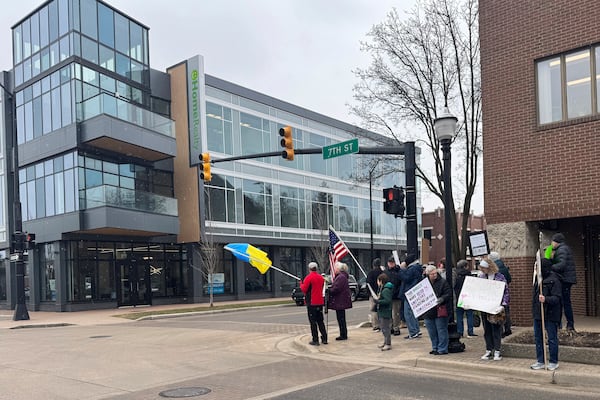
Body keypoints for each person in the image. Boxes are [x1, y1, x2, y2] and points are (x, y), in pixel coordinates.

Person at [531, 258, 562, 371]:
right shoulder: (538, 280)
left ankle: (553, 361)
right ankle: (540, 360)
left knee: (552, 338)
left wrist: (546, 299)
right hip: (538, 313)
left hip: (550, 313)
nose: (535, 269)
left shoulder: (554, 280)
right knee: (538, 337)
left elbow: (557, 298)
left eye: (537, 267)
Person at [478, 257, 510, 361]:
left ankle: (497, 350)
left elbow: (505, 291)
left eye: (484, 268)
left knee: (496, 329)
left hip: (496, 307)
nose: (482, 270)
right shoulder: (482, 277)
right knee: (487, 329)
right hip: (485, 306)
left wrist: (503, 304)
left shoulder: (500, 277)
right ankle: (489, 349)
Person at [422, 265, 452, 355]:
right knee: (432, 331)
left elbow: (448, 293)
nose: (434, 275)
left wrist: (442, 299)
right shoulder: (424, 283)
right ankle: (435, 347)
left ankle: (442, 348)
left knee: (441, 329)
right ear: (428, 274)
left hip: (440, 310)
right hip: (429, 311)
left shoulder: (443, 282)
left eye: (435, 273)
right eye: (432, 274)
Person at [549, 233, 576, 331]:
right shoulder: (564, 249)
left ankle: (566, 324)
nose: (551, 243)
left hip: (563, 279)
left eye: (552, 241)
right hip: (567, 279)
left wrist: (550, 267)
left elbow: (561, 265)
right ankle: (568, 324)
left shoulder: (561, 250)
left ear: (556, 241)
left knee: (562, 302)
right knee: (565, 302)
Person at [299, 262, 328, 346]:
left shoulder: (309, 278)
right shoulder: (321, 278)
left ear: (309, 269)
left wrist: (301, 283)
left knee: (313, 322)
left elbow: (304, 289)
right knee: (320, 321)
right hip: (319, 302)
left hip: (312, 303)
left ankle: (315, 339)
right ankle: (324, 338)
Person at [397, 253, 423, 339]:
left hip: (409, 292)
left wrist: (400, 270)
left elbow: (406, 278)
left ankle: (413, 331)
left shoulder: (412, 269)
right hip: (413, 291)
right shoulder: (417, 268)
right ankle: (416, 330)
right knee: (413, 313)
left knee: (408, 313)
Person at [489, 251, 513, 337]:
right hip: (504, 293)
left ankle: (501, 330)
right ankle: (508, 328)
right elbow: (509, 279)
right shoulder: (504, 267)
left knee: (499, 312)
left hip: (497, 293)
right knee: (506, 311)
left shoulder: (493, 268)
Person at [327, 262, 353, 340]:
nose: (334, 270)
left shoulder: (341, 277)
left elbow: (337, 289)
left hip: (340, 301)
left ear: (338, 269)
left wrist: (329, 290)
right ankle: (343, 333)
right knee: (341, 318)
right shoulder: (342, 277)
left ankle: (343, 334)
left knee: (341, 319)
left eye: (335, 268)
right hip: (341, 301)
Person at [454, 259, 477, 338]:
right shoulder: (469, 275)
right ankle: (470, 331)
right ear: (465, 266)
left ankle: (460, 332)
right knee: (469, 315)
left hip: (459, 298)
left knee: (459, 316)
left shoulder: (456, 275)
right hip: (468, 298)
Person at [374, 273, 394, 351]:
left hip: (385, 311)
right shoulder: (383, 289)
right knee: (383, 327)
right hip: (382, 311)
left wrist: (378, 301)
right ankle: (385, 342)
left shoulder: (386, 290)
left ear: (381, 281)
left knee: (386, 328)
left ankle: (388, 343)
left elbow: (387, 300)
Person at [384, 256, 402, 336]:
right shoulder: (385, 272)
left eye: (392, 262)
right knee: (389, 313)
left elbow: (400, 283)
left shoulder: (398, 271)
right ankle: (391, 327)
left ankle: (396, 328)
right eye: (390, 262)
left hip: (396, 295)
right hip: (388, 295)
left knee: (396, 313)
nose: (391, 264)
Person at [366, 258, 383, 332]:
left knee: (374, 310)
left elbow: (368, 284)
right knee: (381, 309)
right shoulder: (383, 273)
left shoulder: (371, 273)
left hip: (373, 294)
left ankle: (376, 325)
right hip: (381, 293)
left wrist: (369, 294)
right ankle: (382, 324)